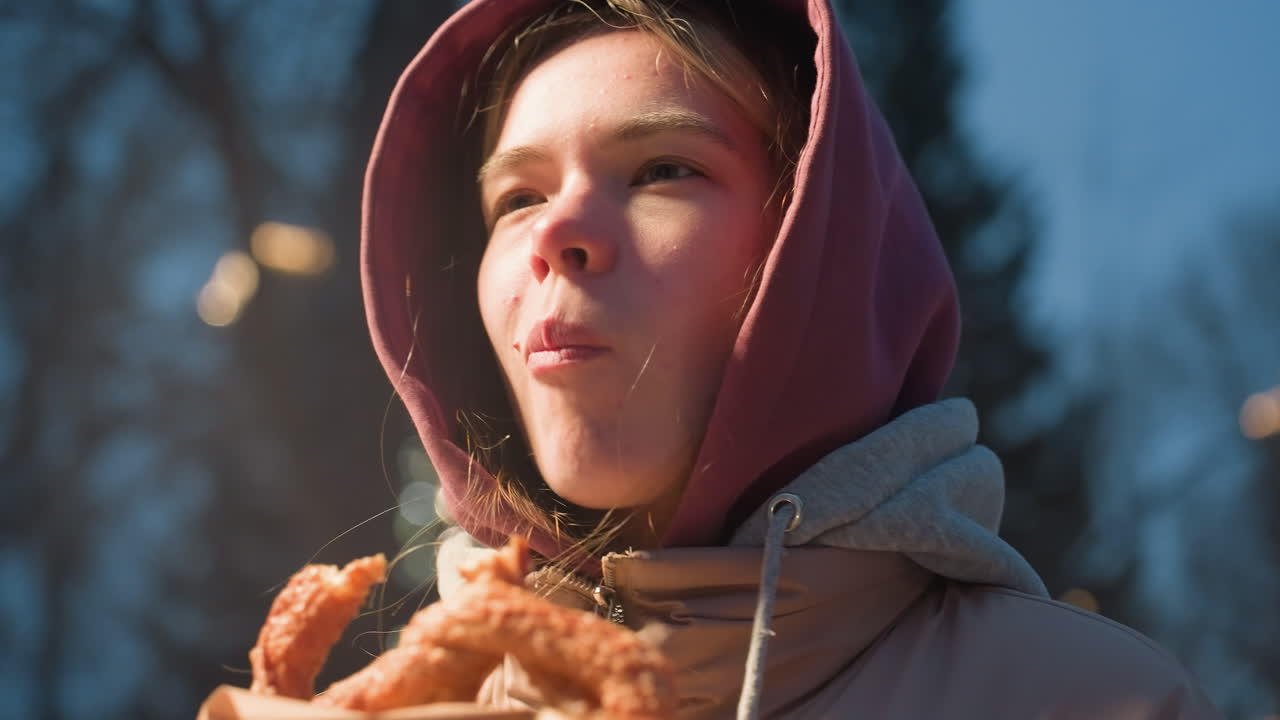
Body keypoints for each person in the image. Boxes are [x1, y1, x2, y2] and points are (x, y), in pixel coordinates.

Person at [360, 0, 1221, 717]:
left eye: (662, 169)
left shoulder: (1091, 701)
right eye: (519, 197)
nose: (553, 233)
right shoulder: (400, 707)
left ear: (816, 250)